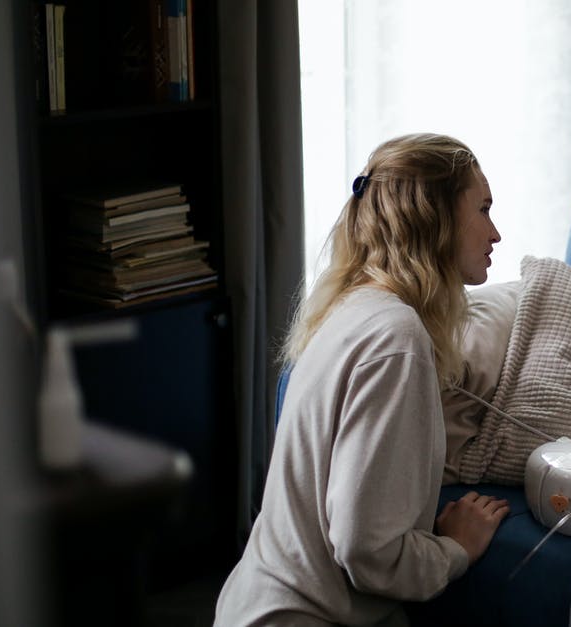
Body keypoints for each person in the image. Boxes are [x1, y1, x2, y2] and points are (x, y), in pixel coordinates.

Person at [215, 133, 510, 626]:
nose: (495, 232)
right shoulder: (397, 339)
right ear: (436, 217)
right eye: (483, 208)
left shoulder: (350, 307)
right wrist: (455, 550)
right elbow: (365, 547)